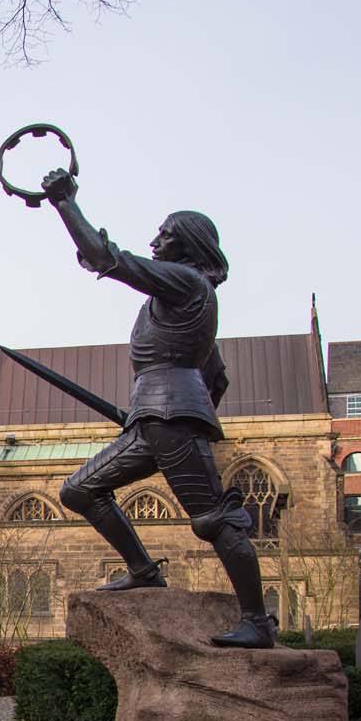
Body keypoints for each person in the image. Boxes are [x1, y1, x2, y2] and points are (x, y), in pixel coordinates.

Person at [38, 167, 274, 648]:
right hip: (156, 418)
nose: (155, 240)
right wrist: (166, 410)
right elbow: (219, 377)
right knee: (80, 491)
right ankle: (144, 570)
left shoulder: (185, 284)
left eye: (165, 235)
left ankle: (258, 622)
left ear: (186, 245)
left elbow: (106, 257)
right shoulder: (186, 297)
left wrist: (65, 202)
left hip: (168, 419)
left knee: (212, 519)